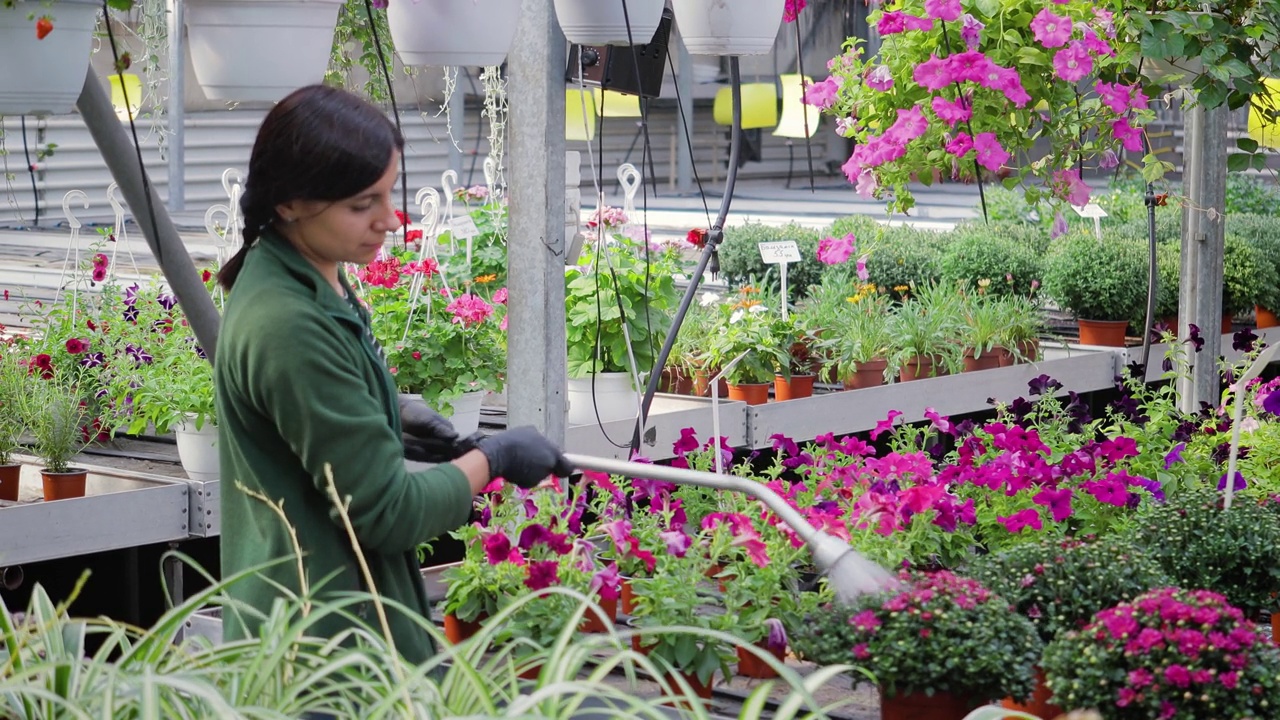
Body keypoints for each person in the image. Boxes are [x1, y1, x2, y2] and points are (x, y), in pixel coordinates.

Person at [213, 84, 572, 664]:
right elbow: (387, 512)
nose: (389, 220)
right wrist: (493, 458)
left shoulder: (304, 270)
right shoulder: (287, 322)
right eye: (362, 205)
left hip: (331, 627)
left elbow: (305, 422)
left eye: (388, 194)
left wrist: (386, 413)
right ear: (288, 203)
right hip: (326, 657)